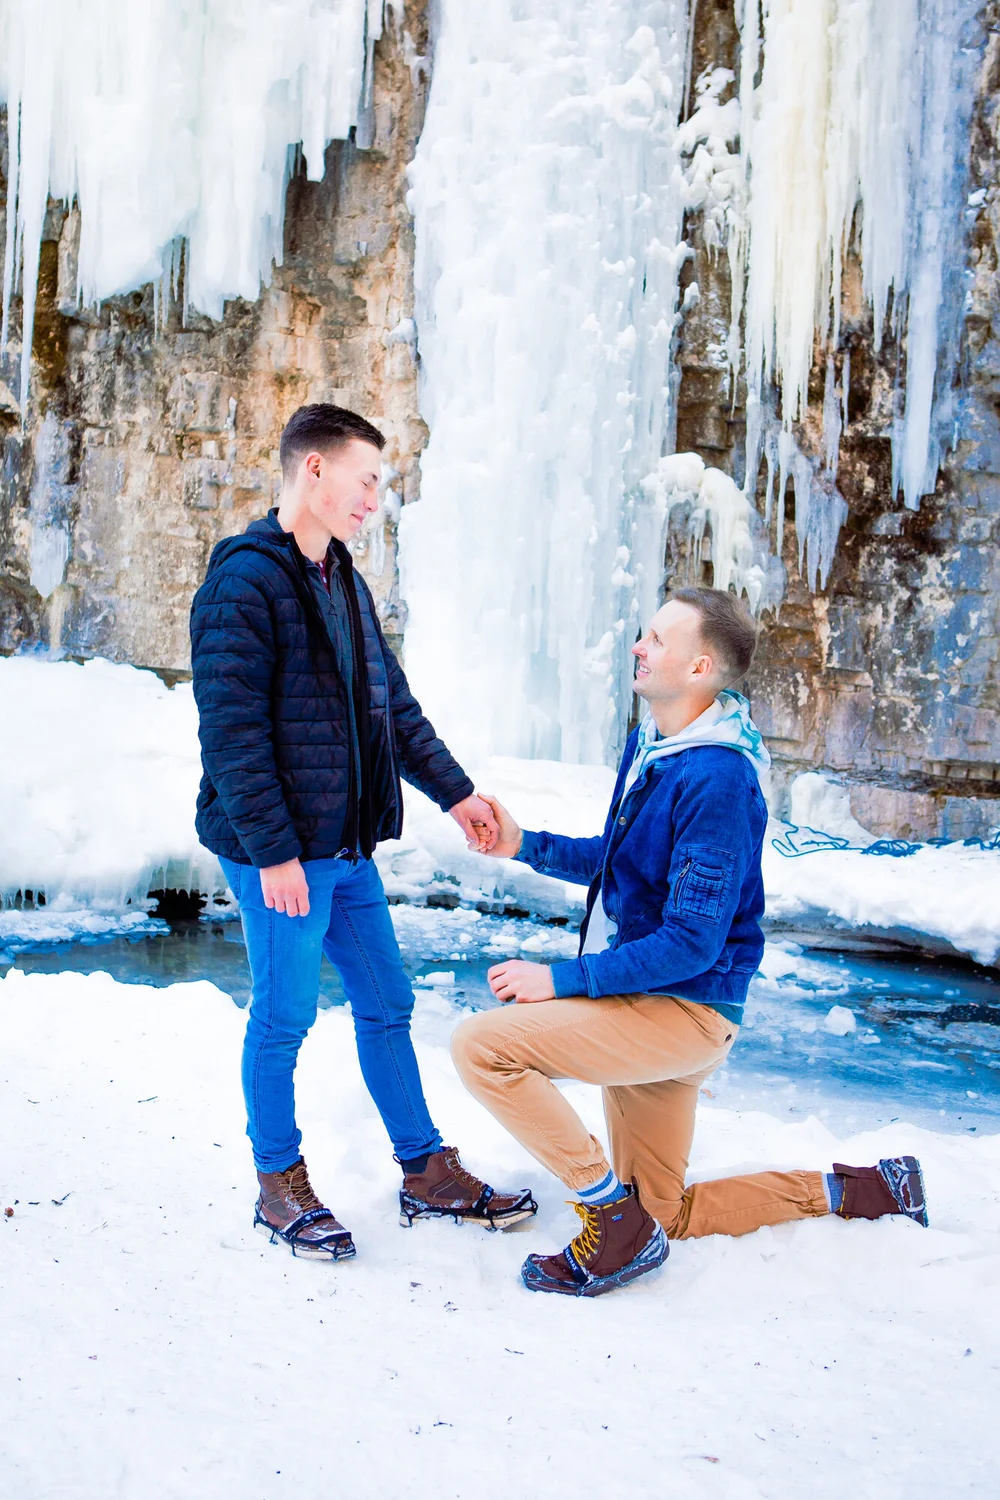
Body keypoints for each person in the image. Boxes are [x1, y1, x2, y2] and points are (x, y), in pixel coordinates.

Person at [451, 587, 927, 1297]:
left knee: (482, 1048)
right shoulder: (657, 746)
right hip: (647, 999)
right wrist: (526, 844)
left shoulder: (717, 778)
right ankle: (863, 1191)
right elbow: (621, 859)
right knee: (662, 1215)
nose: (638, 648)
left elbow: (692, 944)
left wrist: (560, 980)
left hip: (683, 1009)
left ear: (701, 667)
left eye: (655, 639)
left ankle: (609, 1221)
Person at [190, 403, 535, 1261]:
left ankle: (423, 1170)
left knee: (387, 1003)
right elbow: (230, 735)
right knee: (283, 1017)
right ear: (315, 470)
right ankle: (279, 1185)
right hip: (282, 854)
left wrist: (458, 796)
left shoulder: (342, 577)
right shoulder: (243, 581)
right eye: (368, 479)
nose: (376, 498)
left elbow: (395, 710)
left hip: (346, 851)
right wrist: (272, 852)